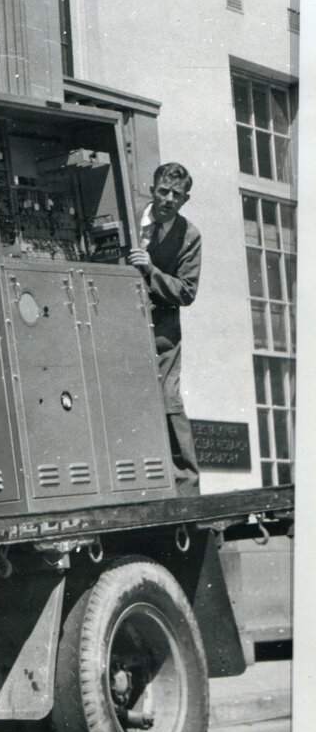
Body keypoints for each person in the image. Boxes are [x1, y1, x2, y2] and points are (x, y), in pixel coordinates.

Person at [126, 163, 201, 492]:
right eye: (163, 192)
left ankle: (186, 487)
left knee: (168, 401)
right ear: (152, 189)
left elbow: (186, 291)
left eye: (177, 195)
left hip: (162, 334)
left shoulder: (189, 235)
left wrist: (150, 270)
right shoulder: (129, 217)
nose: (169, 199)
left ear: (185, 199)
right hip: (121, 325)